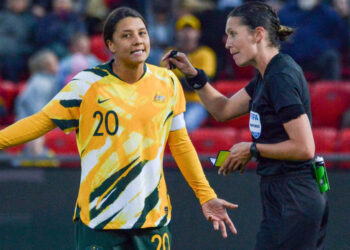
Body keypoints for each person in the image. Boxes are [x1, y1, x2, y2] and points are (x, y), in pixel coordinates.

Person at [0, 7, 237, 249]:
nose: (138, 41)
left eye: (142, 33)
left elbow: (181, 144)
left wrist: (206, 195)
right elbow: (40, 121)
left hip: (151, 220)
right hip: (99, 221)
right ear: (110, 45)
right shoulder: (87, 84)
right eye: (127, 35)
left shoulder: (167, 82)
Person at [163, 2, 328, 249]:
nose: (227, 43)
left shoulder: (280, 77)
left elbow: (304, 147)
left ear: (258, 34)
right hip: (285, 196)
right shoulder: (267, 75)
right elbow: (223, 109)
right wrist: (193, 75)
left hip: (295, 196)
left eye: (233, 34)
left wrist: (252, 149)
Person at [163, 14, 217, 132]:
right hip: (173, 104)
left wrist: (182, 82)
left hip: (197, 103)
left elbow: (204, 82)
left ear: (198, 33)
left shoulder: (206, 53)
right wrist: (192, 79)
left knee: (184, 126)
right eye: (183, 30)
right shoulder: (169, 53)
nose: (187, 34)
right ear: (177, 33)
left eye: (191, 30)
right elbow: (165, 84)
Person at [279, 0, 347, 80]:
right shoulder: (285, 12)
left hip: (315, 58)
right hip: (291, 57)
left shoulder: (328, 14)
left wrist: (323, 45)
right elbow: (275, 35)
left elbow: (343, 38)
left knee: (331, 57)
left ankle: (330, 91)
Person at [15, 49, 59, 156]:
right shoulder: (41, 84)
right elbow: (38, 115)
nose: (58, 64)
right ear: (47, 65)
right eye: (55, 62)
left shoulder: (44, 80)